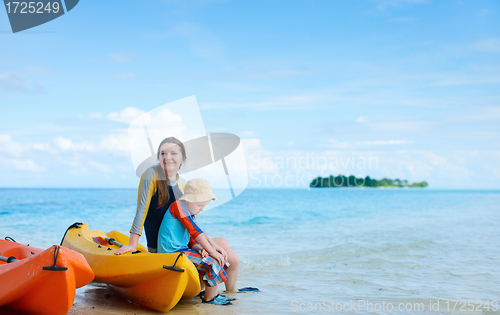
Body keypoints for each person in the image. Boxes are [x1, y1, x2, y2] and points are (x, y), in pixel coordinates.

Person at [114, 137, 244, 293]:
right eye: (163, 153)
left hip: (180, 242)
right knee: (221, 247)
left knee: (230, 254)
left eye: (173, 153)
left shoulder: (183, 185)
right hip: (164, 247)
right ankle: (205, 289)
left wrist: (198, 246)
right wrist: (132, 245)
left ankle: (232, 292)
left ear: (183, 159)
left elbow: (188, 225)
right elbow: (141, 209)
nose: (167, 157)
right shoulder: (152, 174)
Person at [158, 178, 233, 305]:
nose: (202, 209)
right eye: (199, 205)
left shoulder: (189, 214)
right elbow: (194, 231)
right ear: (188, 199)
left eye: (204, 206)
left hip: (182, 251)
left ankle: (213, 294)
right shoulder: (177, 206)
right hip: (170, 254)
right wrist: (212, 250)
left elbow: (192, 241)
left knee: (216, 257)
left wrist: (203, 249)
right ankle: (209, 299)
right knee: (213, 260)